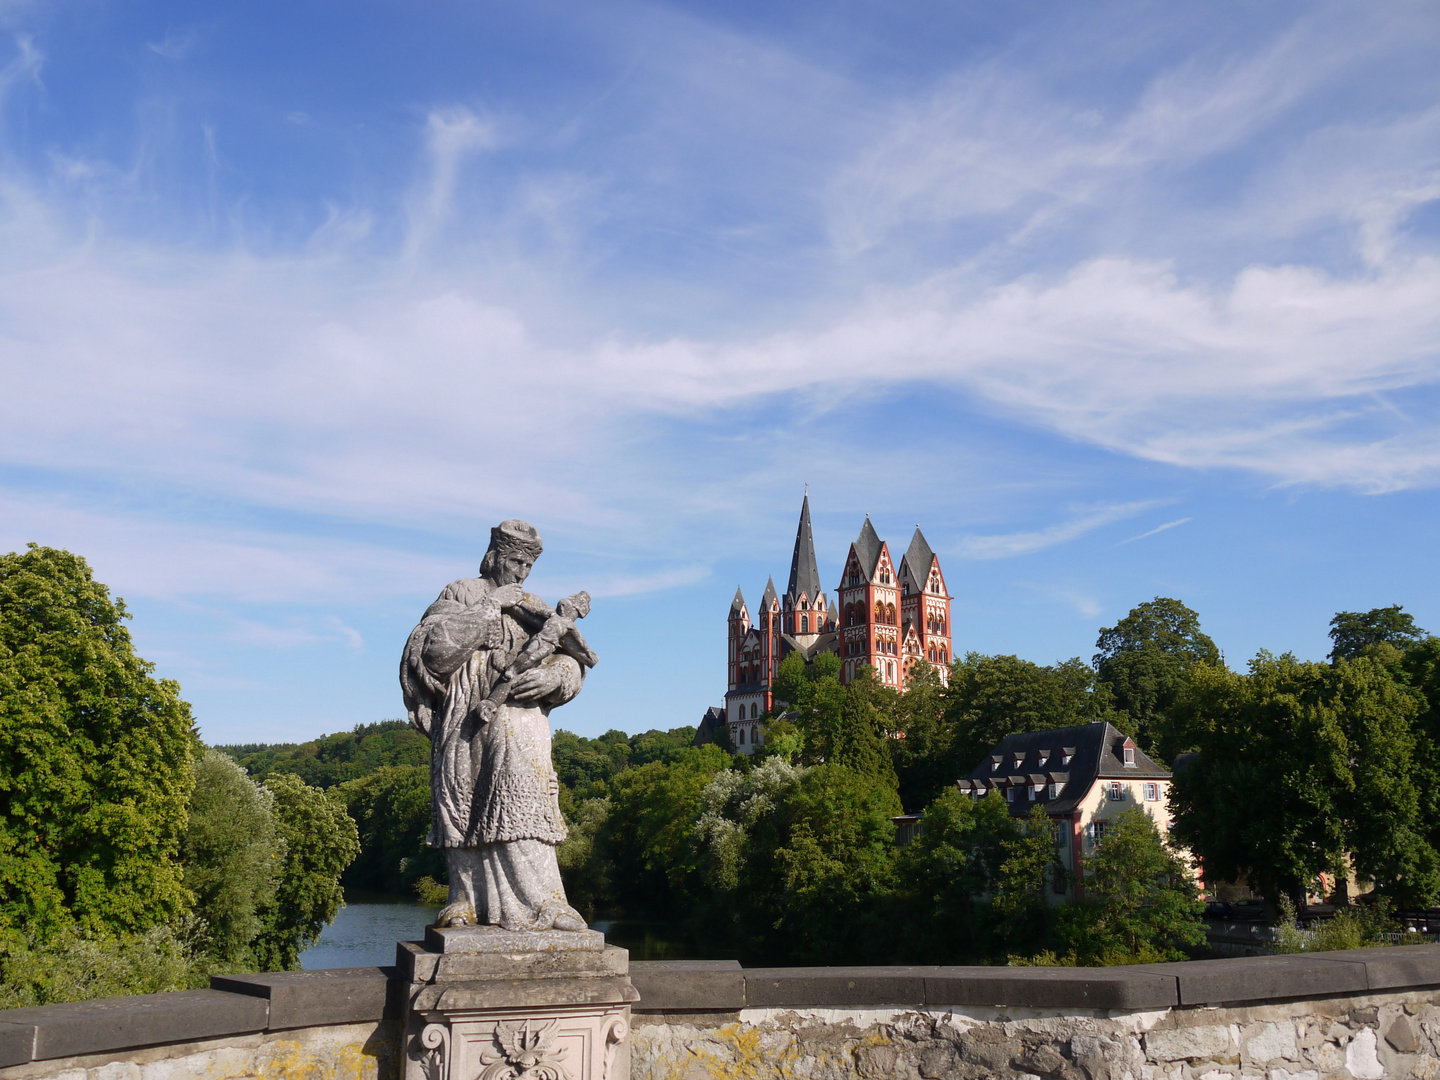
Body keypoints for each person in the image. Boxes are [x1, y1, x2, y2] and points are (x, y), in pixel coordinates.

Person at [399, 520, 596, 931]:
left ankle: (547, 901)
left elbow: (572, 658)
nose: (522, 573)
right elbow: (432, 654)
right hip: (466, 719)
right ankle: (465, 900)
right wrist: (490, 608)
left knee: (524, 798)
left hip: (522, 721)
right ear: (493, 557)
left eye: (528, 565)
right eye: (514, 562)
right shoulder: (462, 593)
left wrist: (557, 676)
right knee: (464, 806)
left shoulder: (534, 604)